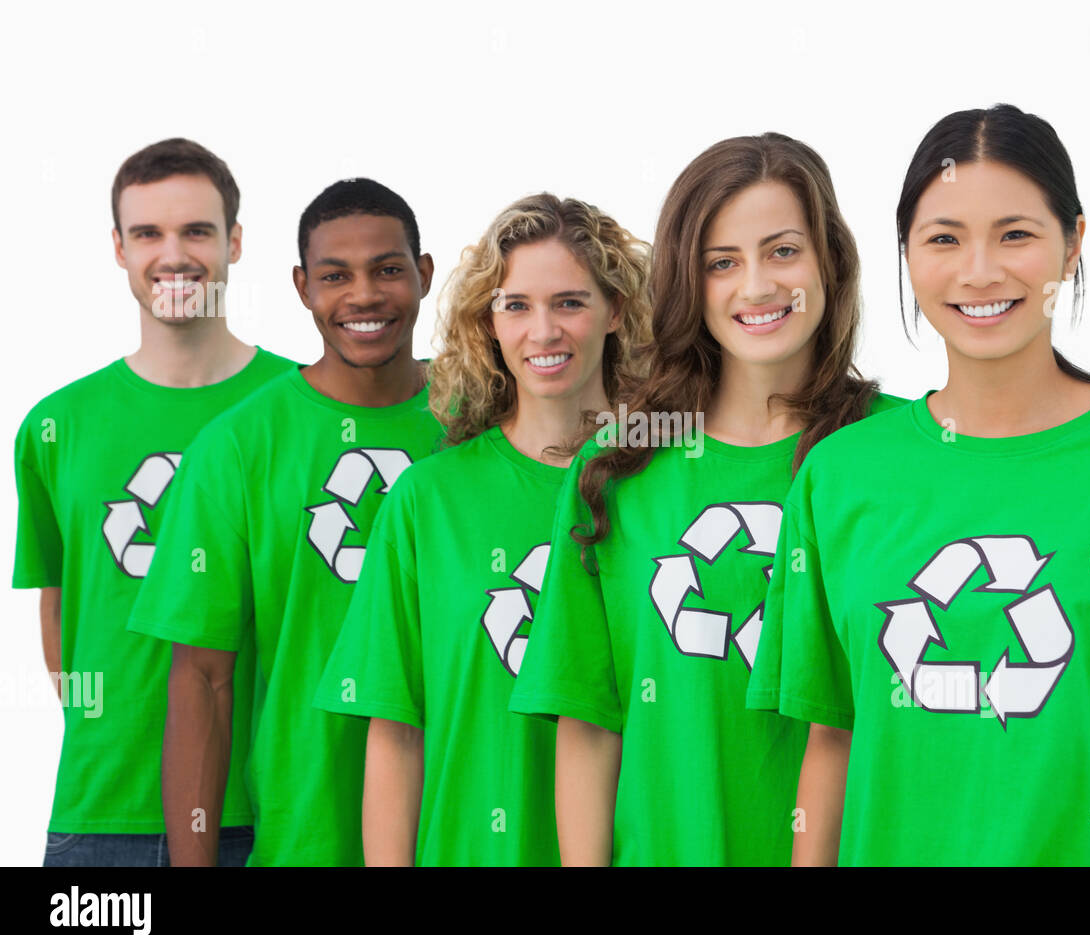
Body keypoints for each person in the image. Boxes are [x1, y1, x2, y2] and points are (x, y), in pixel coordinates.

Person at [747, 103, 1090, 866]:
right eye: (943, 239)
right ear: (906, 254)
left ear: (1073, 245)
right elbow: (831, 737)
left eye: (1016, 235)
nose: (979, 271)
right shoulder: (838, 475)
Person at [508, 133, 906, 865]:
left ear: (831, 261)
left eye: (782, 251)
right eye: (721, 262)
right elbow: (591, 723)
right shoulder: (618, 465)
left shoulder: (905, 452)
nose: (755, 286)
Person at [314, 193, 651, 865]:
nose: (544, 331)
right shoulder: (426, 500)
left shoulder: (660, 488)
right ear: (487, 322)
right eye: (517, 305)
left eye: (570, 303)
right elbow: (396, 732)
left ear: (615, 311)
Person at [126, 178, 444, 866]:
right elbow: (202, 677)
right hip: (306, 832)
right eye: (336, 276)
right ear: (302, 287)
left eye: (388, 270)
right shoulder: (238, 445)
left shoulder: (485, 420)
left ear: (424, 275)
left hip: (473, 821)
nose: (363, 296)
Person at [12, 138, 296, 867]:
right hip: (100, 812)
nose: (174, 255)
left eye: (197, 230)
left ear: (235, 241)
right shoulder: (56, 426)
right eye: (148, 234)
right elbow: (59, 605)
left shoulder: (302, 407)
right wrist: (104, 721)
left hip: (273, 808)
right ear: (118, 248)